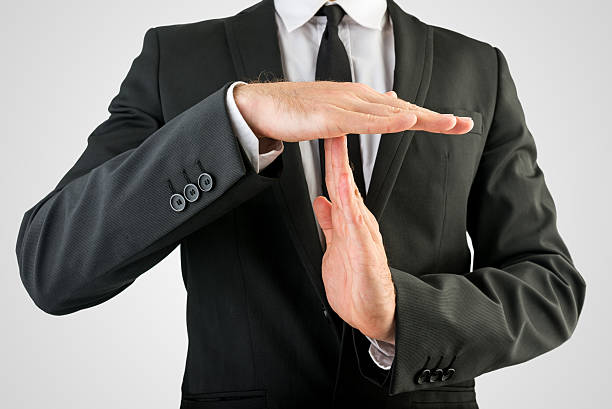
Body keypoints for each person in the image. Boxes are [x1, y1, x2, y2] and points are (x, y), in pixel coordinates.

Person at [15, 0, 586, 407]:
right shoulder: (176, 56)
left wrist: (397, 317)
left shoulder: (478, 67)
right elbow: (52, 263)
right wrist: (236, 123)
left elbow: (550, 287)